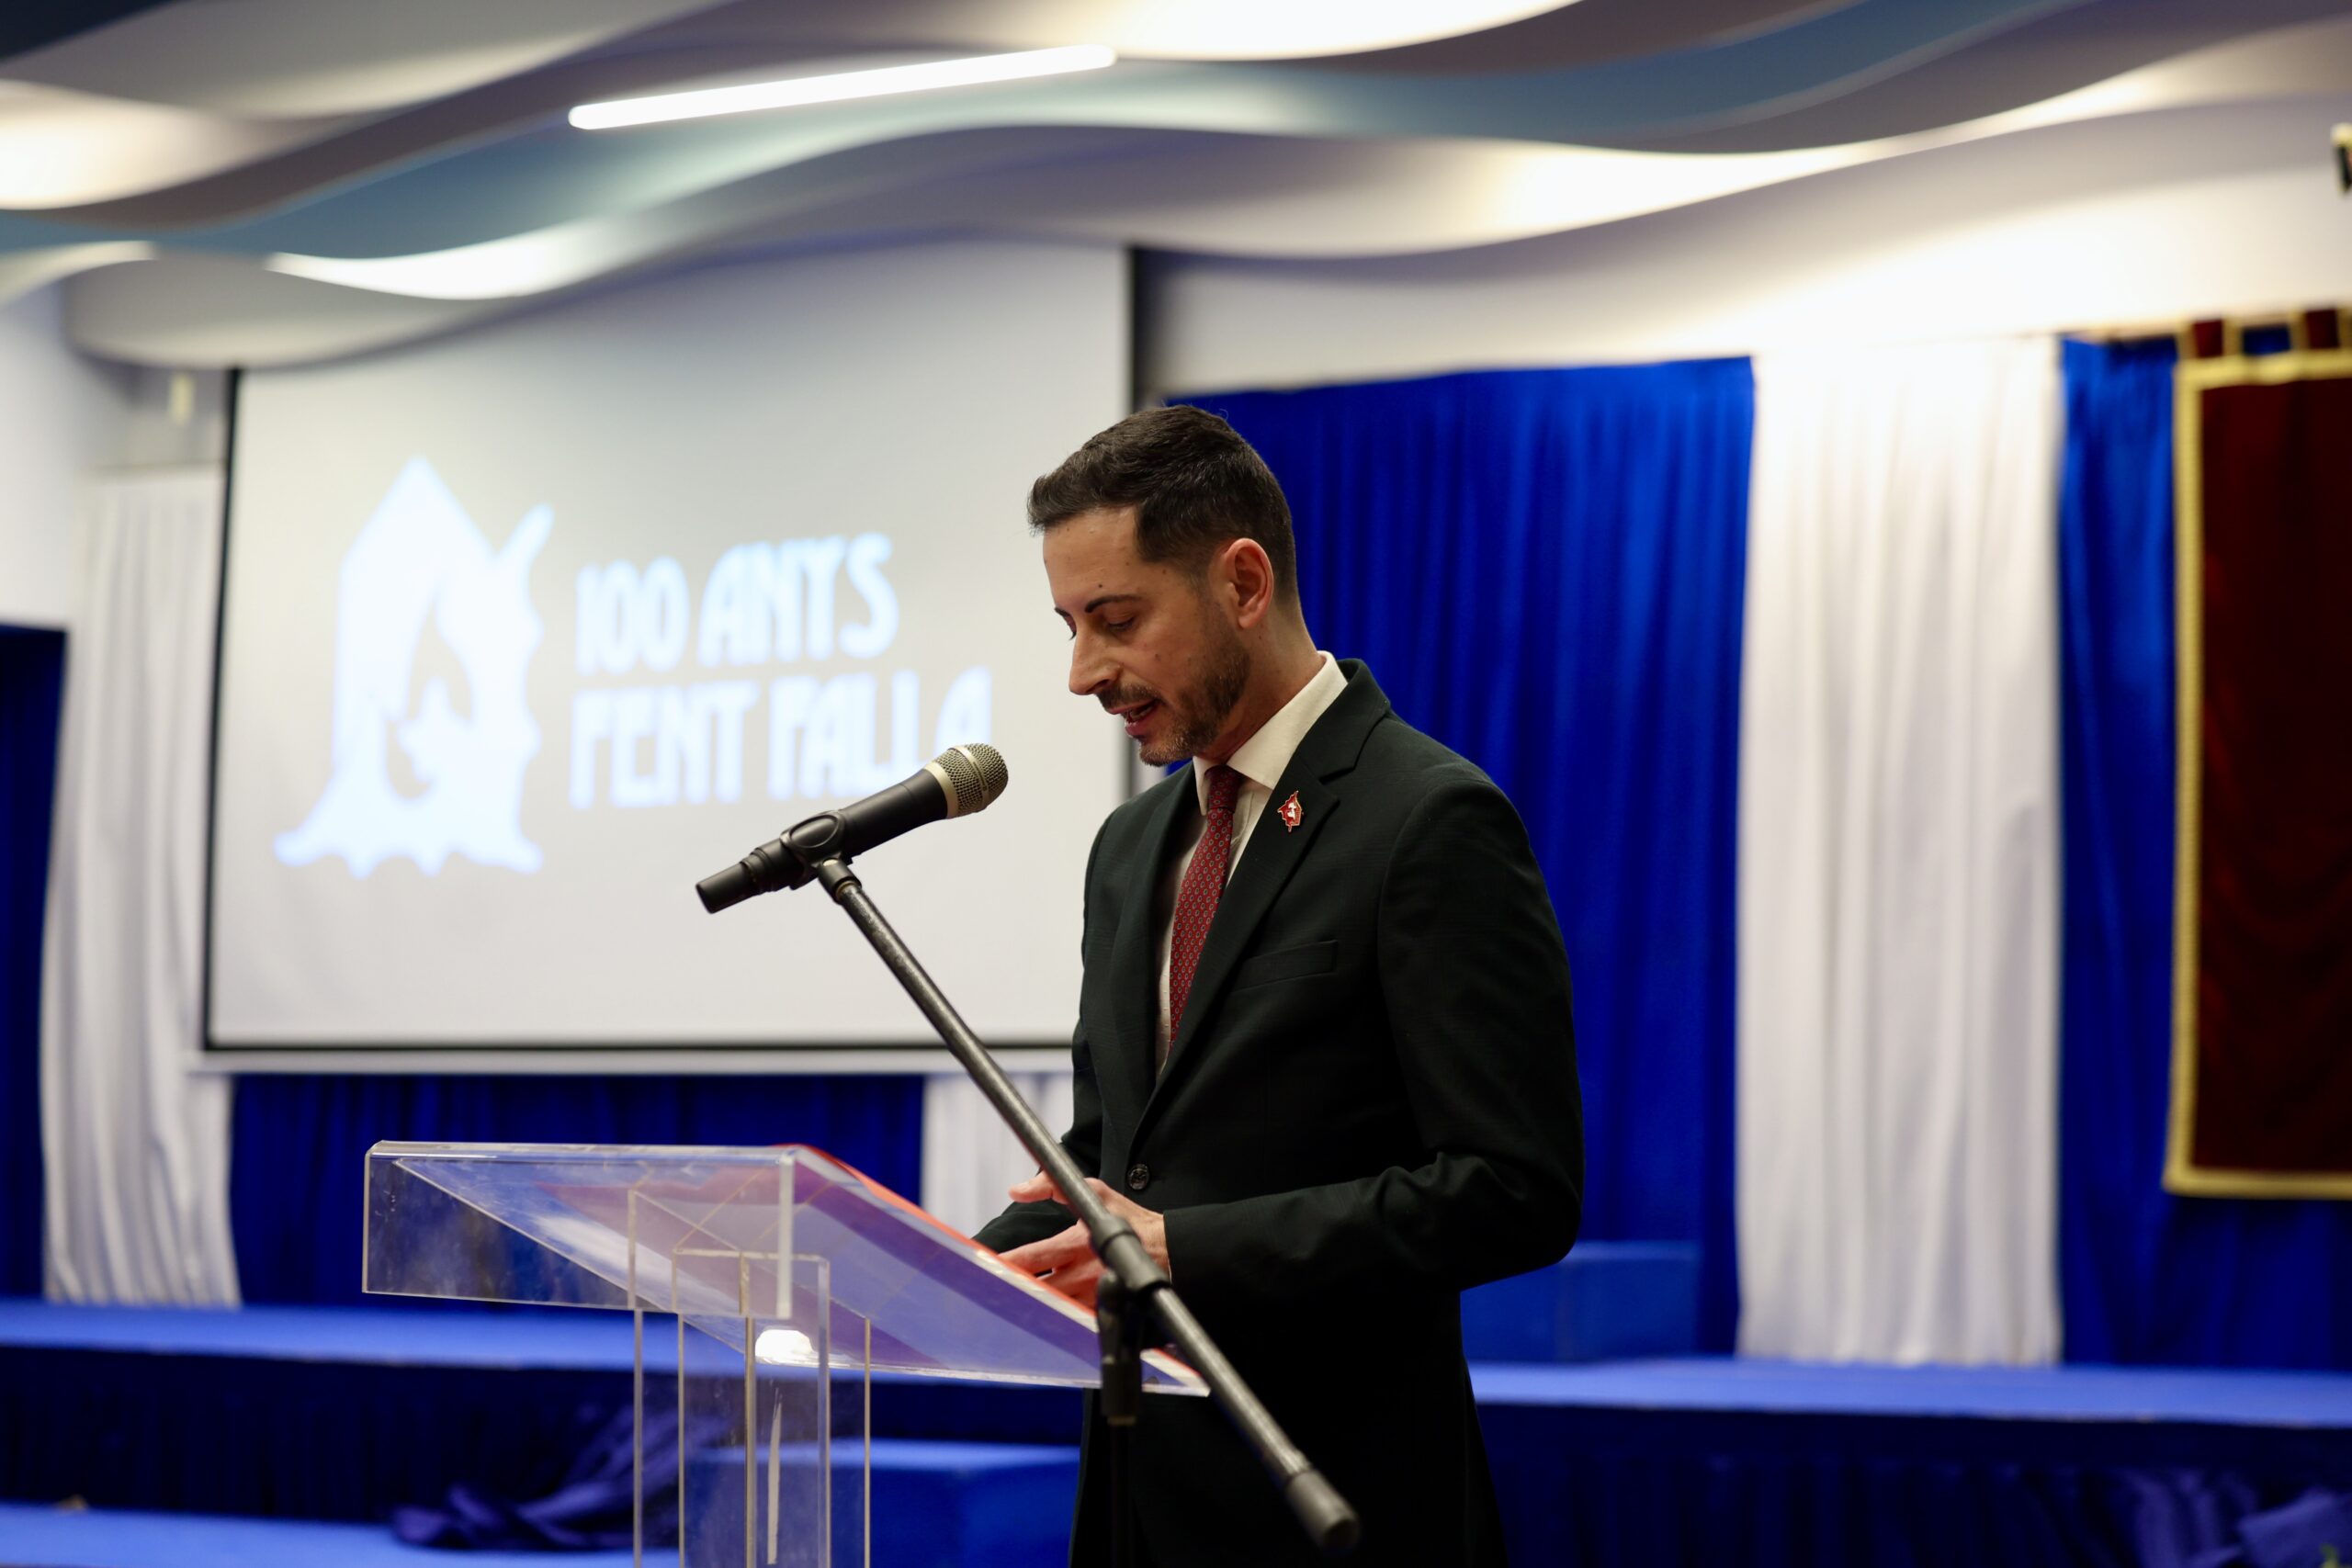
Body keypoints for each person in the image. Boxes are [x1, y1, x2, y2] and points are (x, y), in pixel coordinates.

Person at [975, 405, 1582, 1568]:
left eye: (1116, 621)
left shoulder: (1427, 819)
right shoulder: (1129, 846)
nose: (1083, 673)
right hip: (1138, 1495)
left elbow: (1514, 1191)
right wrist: (934, 1271)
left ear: (1243, 583)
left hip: (1340, 1497)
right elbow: (1116, 1160)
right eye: (1069, 626)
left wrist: (1186, 1248)